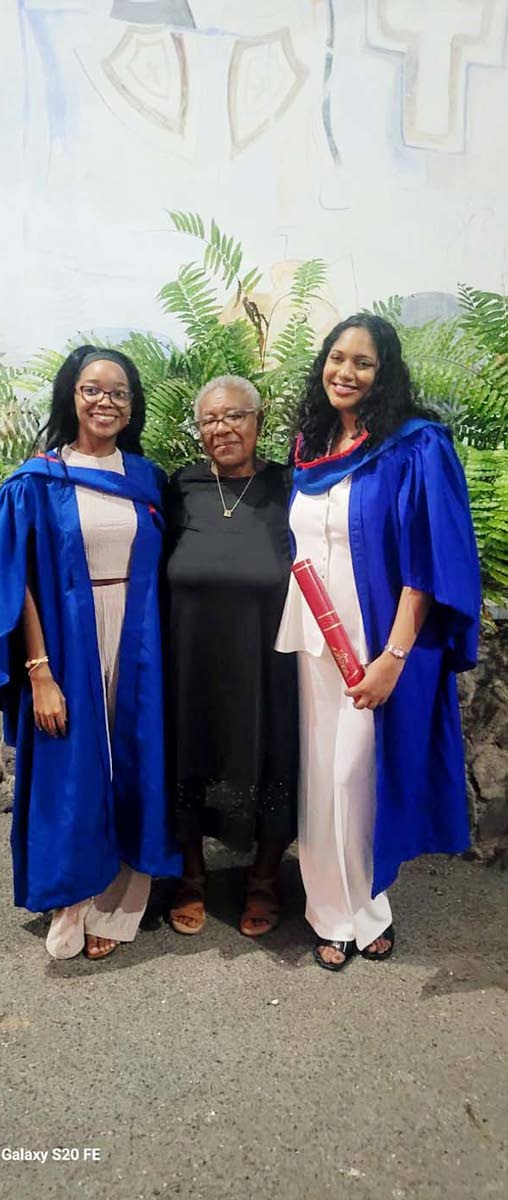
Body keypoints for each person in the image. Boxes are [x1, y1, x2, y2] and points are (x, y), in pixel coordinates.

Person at [276, 315, 480, 971]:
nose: (347, 372)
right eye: (338, 358)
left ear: (384, 372)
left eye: (363, 362)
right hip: (312, 633)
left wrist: (393, 658)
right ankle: (328, 913)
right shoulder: (309, 445)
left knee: (357, 775)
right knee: (319, 778)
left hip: (376, 639)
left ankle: (369, 907)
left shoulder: (413, 446)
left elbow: (429, 562)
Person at [0, 345, 181, 960]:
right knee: (75, 770)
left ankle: (119, 910)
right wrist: (40, 672)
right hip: (66, 641)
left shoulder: (146, 480)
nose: (105, 401)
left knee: (135, 763)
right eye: (93, 389)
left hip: (139, 637)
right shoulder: (37, 479)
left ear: (132, 404)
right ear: (72, 395)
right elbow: (20, 581)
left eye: (118, 391)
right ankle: (73, 900)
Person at [165, 375, 298, 936]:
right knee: (189, 757)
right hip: (190, 660)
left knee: (272, 759)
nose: (222, 429)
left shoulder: (288, 487)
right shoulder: (180, 487)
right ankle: (191, 878)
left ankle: (263, 881)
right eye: (210, 420)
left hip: (269, 662)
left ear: (257, 419)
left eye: (234, 416)